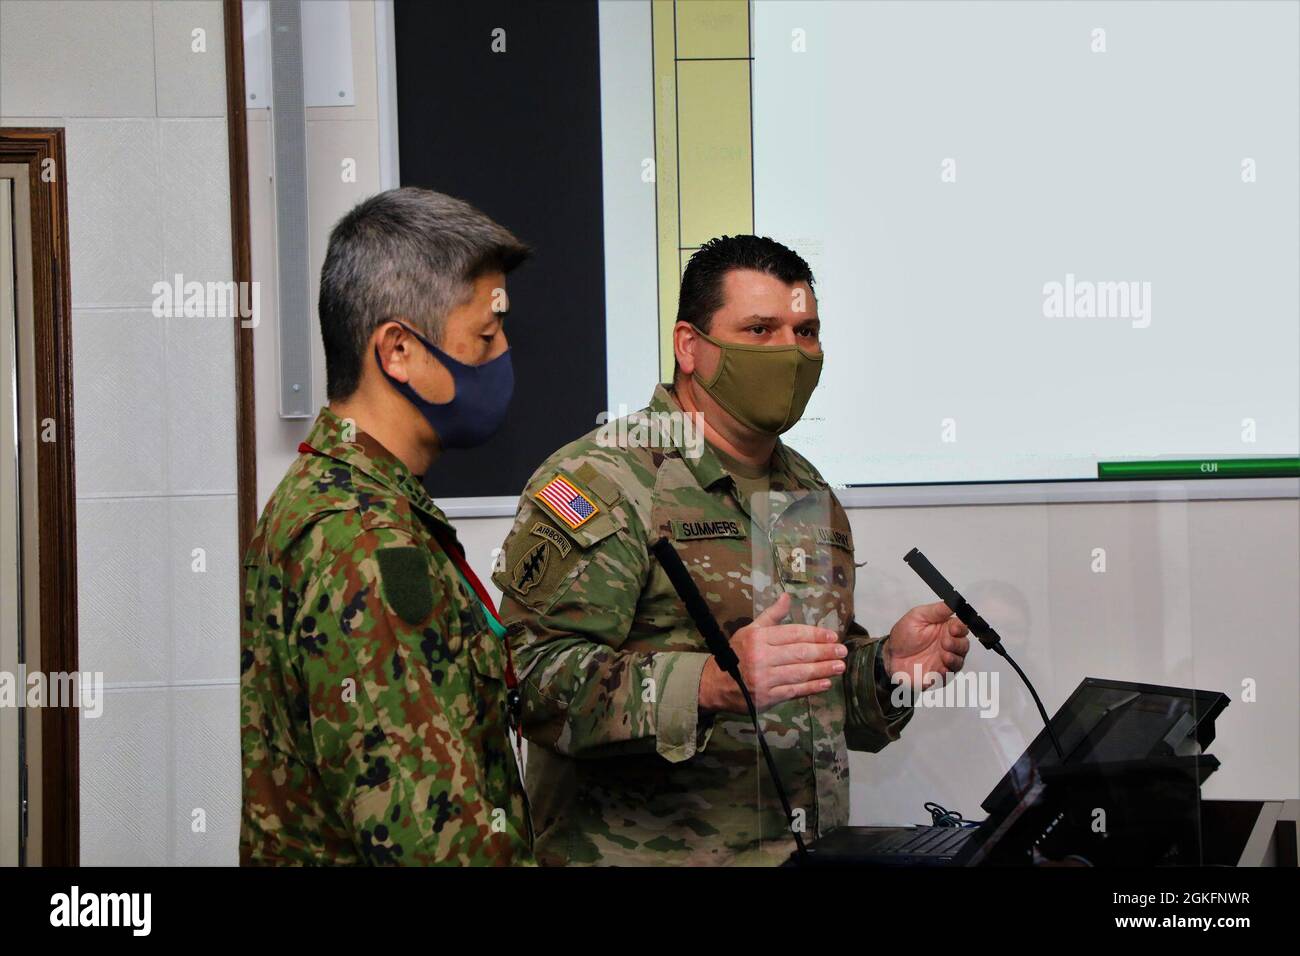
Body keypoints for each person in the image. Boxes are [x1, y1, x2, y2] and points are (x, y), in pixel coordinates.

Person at [492, 235, 971, 865]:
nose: (791, 353)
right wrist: (711, 683)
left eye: (806, 331)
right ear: (690, 347)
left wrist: (884, 671)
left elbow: (815, 701)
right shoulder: (602, 480)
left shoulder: (807, 491)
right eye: (760, 329)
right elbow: (530, 682)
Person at [241, 187, 531, 865]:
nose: (504, 354)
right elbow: (428, 839)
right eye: (484, 337)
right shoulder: (363, 539)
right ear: (397, 350)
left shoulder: (349, 499)